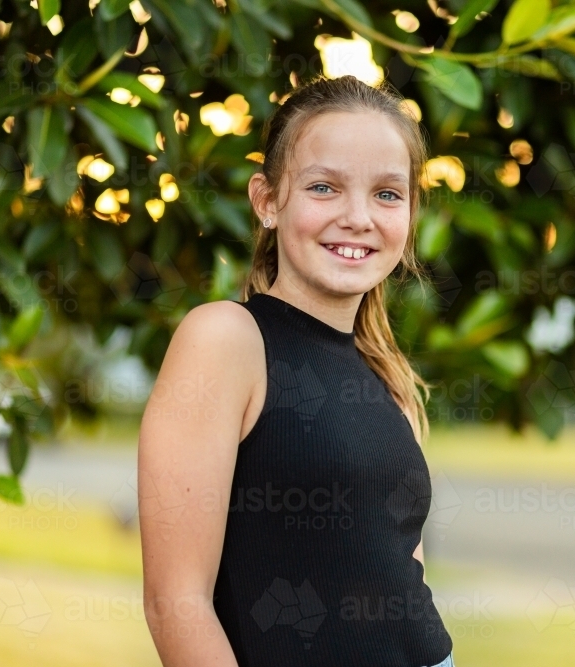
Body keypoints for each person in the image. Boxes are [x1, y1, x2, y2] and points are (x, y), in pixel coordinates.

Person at [138, 74, 455, 667]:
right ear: (267, 201)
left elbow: (398, 576)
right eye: (324, 187)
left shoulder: (389, 380)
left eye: (387, 194)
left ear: (410, 214)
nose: (359, 217)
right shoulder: (226, 340)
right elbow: (175, 603)